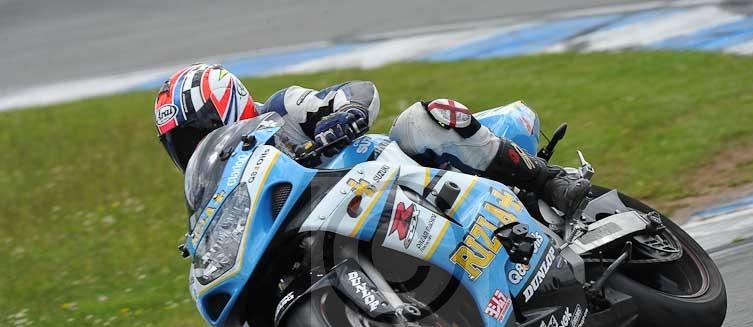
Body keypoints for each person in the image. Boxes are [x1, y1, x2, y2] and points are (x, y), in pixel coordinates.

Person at [154, 63, 589, 214]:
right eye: (183, 145)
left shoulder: (282, 109)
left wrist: (345, 116)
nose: (195, 148)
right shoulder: (222, 191)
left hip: (389, 174)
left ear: (227, 102)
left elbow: (359, 91)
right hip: (340, 225)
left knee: (421, 120)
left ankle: (548, 181)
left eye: (197, 134)